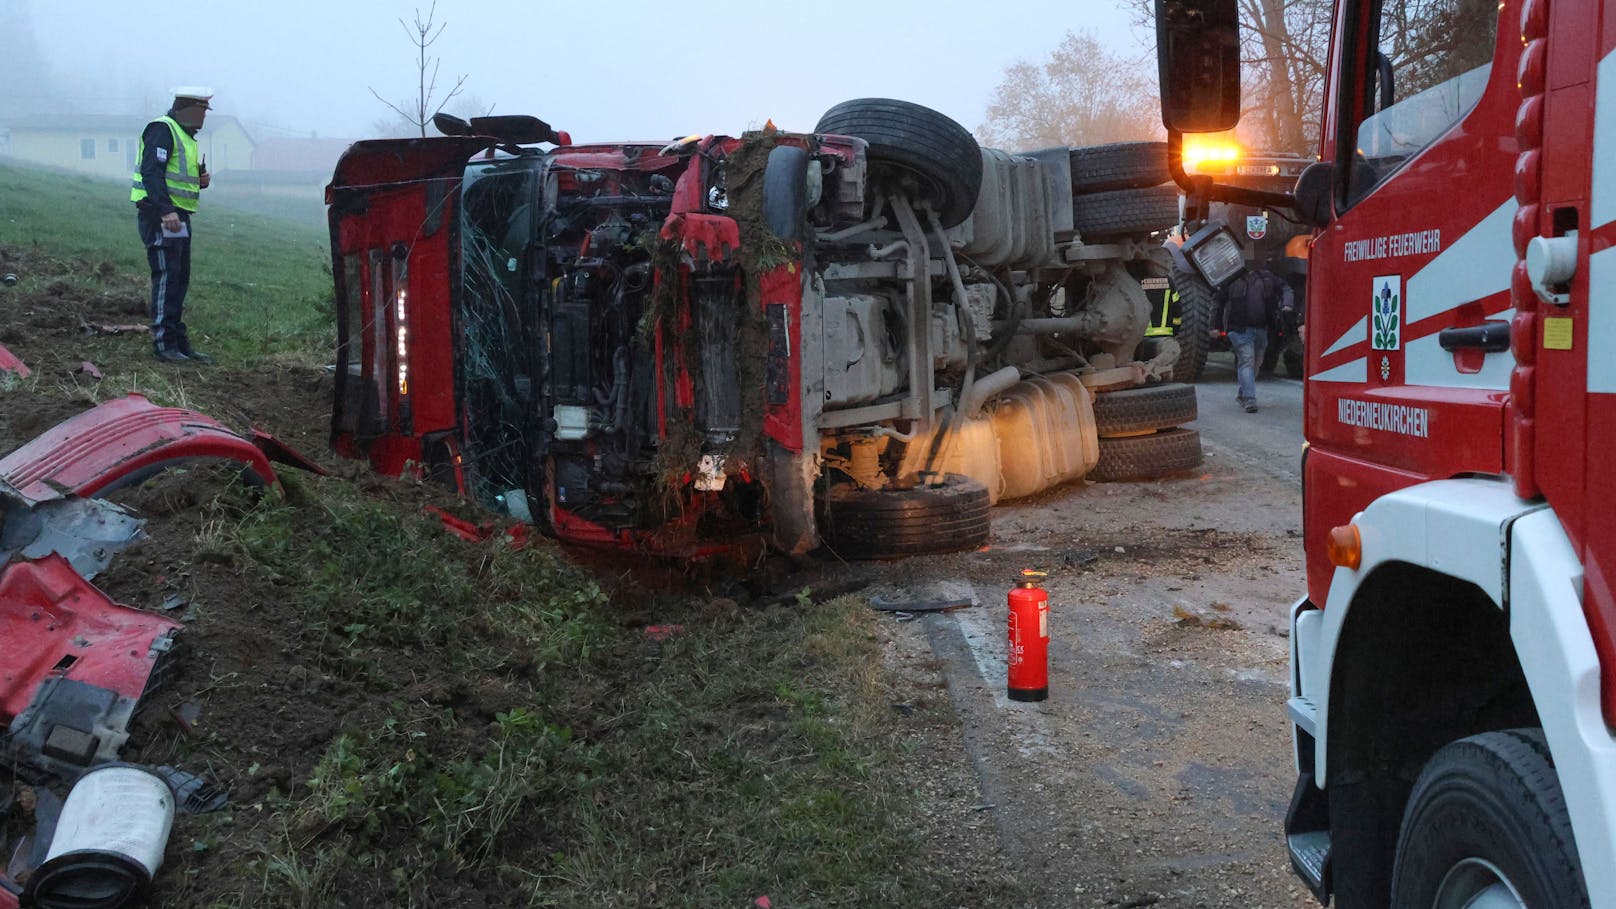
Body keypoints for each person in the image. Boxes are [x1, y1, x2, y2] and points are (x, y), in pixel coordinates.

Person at [131, 87, 213, 363]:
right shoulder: (162, 129)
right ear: (186, 109)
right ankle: (164, 344)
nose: (203, 118)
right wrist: (166, 211)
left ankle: (178, 342)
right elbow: (151, 172)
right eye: (201, 111)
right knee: (167, 277)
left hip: (179, 217)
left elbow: (176, 176)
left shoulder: (186, 138)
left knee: (179, 278)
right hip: (161, 216)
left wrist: (200, 180)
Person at [1215, 264, 1294, 413]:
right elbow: (1218, 301)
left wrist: (1287, 304)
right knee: (1247, 361)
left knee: (1256, 363)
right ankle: (1250, 400)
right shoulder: (1231, 279)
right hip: (1239, 330)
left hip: (1262, 329)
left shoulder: (1266, 277)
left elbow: (1286, 288)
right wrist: (1215, 326)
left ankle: (1243, 393)